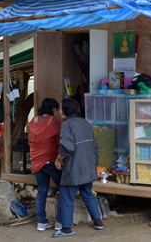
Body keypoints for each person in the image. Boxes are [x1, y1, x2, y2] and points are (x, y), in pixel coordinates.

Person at [52, 98, 104, 238]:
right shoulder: (85, 122)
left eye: (62, 108)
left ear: (66, 111)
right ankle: (98, 222)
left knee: (66, 197)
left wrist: (58, 159)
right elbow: (94, 145)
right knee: (87, 194)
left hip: (75, 168)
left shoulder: (67, 125)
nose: (60, 111)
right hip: (88, 166)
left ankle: (67, 229)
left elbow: (67, 147)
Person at [28, 98, 62, 232]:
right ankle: (60, 222)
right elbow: (61, 140)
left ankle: (41, 222)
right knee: (64, 189)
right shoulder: (54, 122)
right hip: (50, 161)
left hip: (36, 161)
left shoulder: (33, 121)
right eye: (57, 110)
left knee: (42, 191)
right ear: (53, 109)